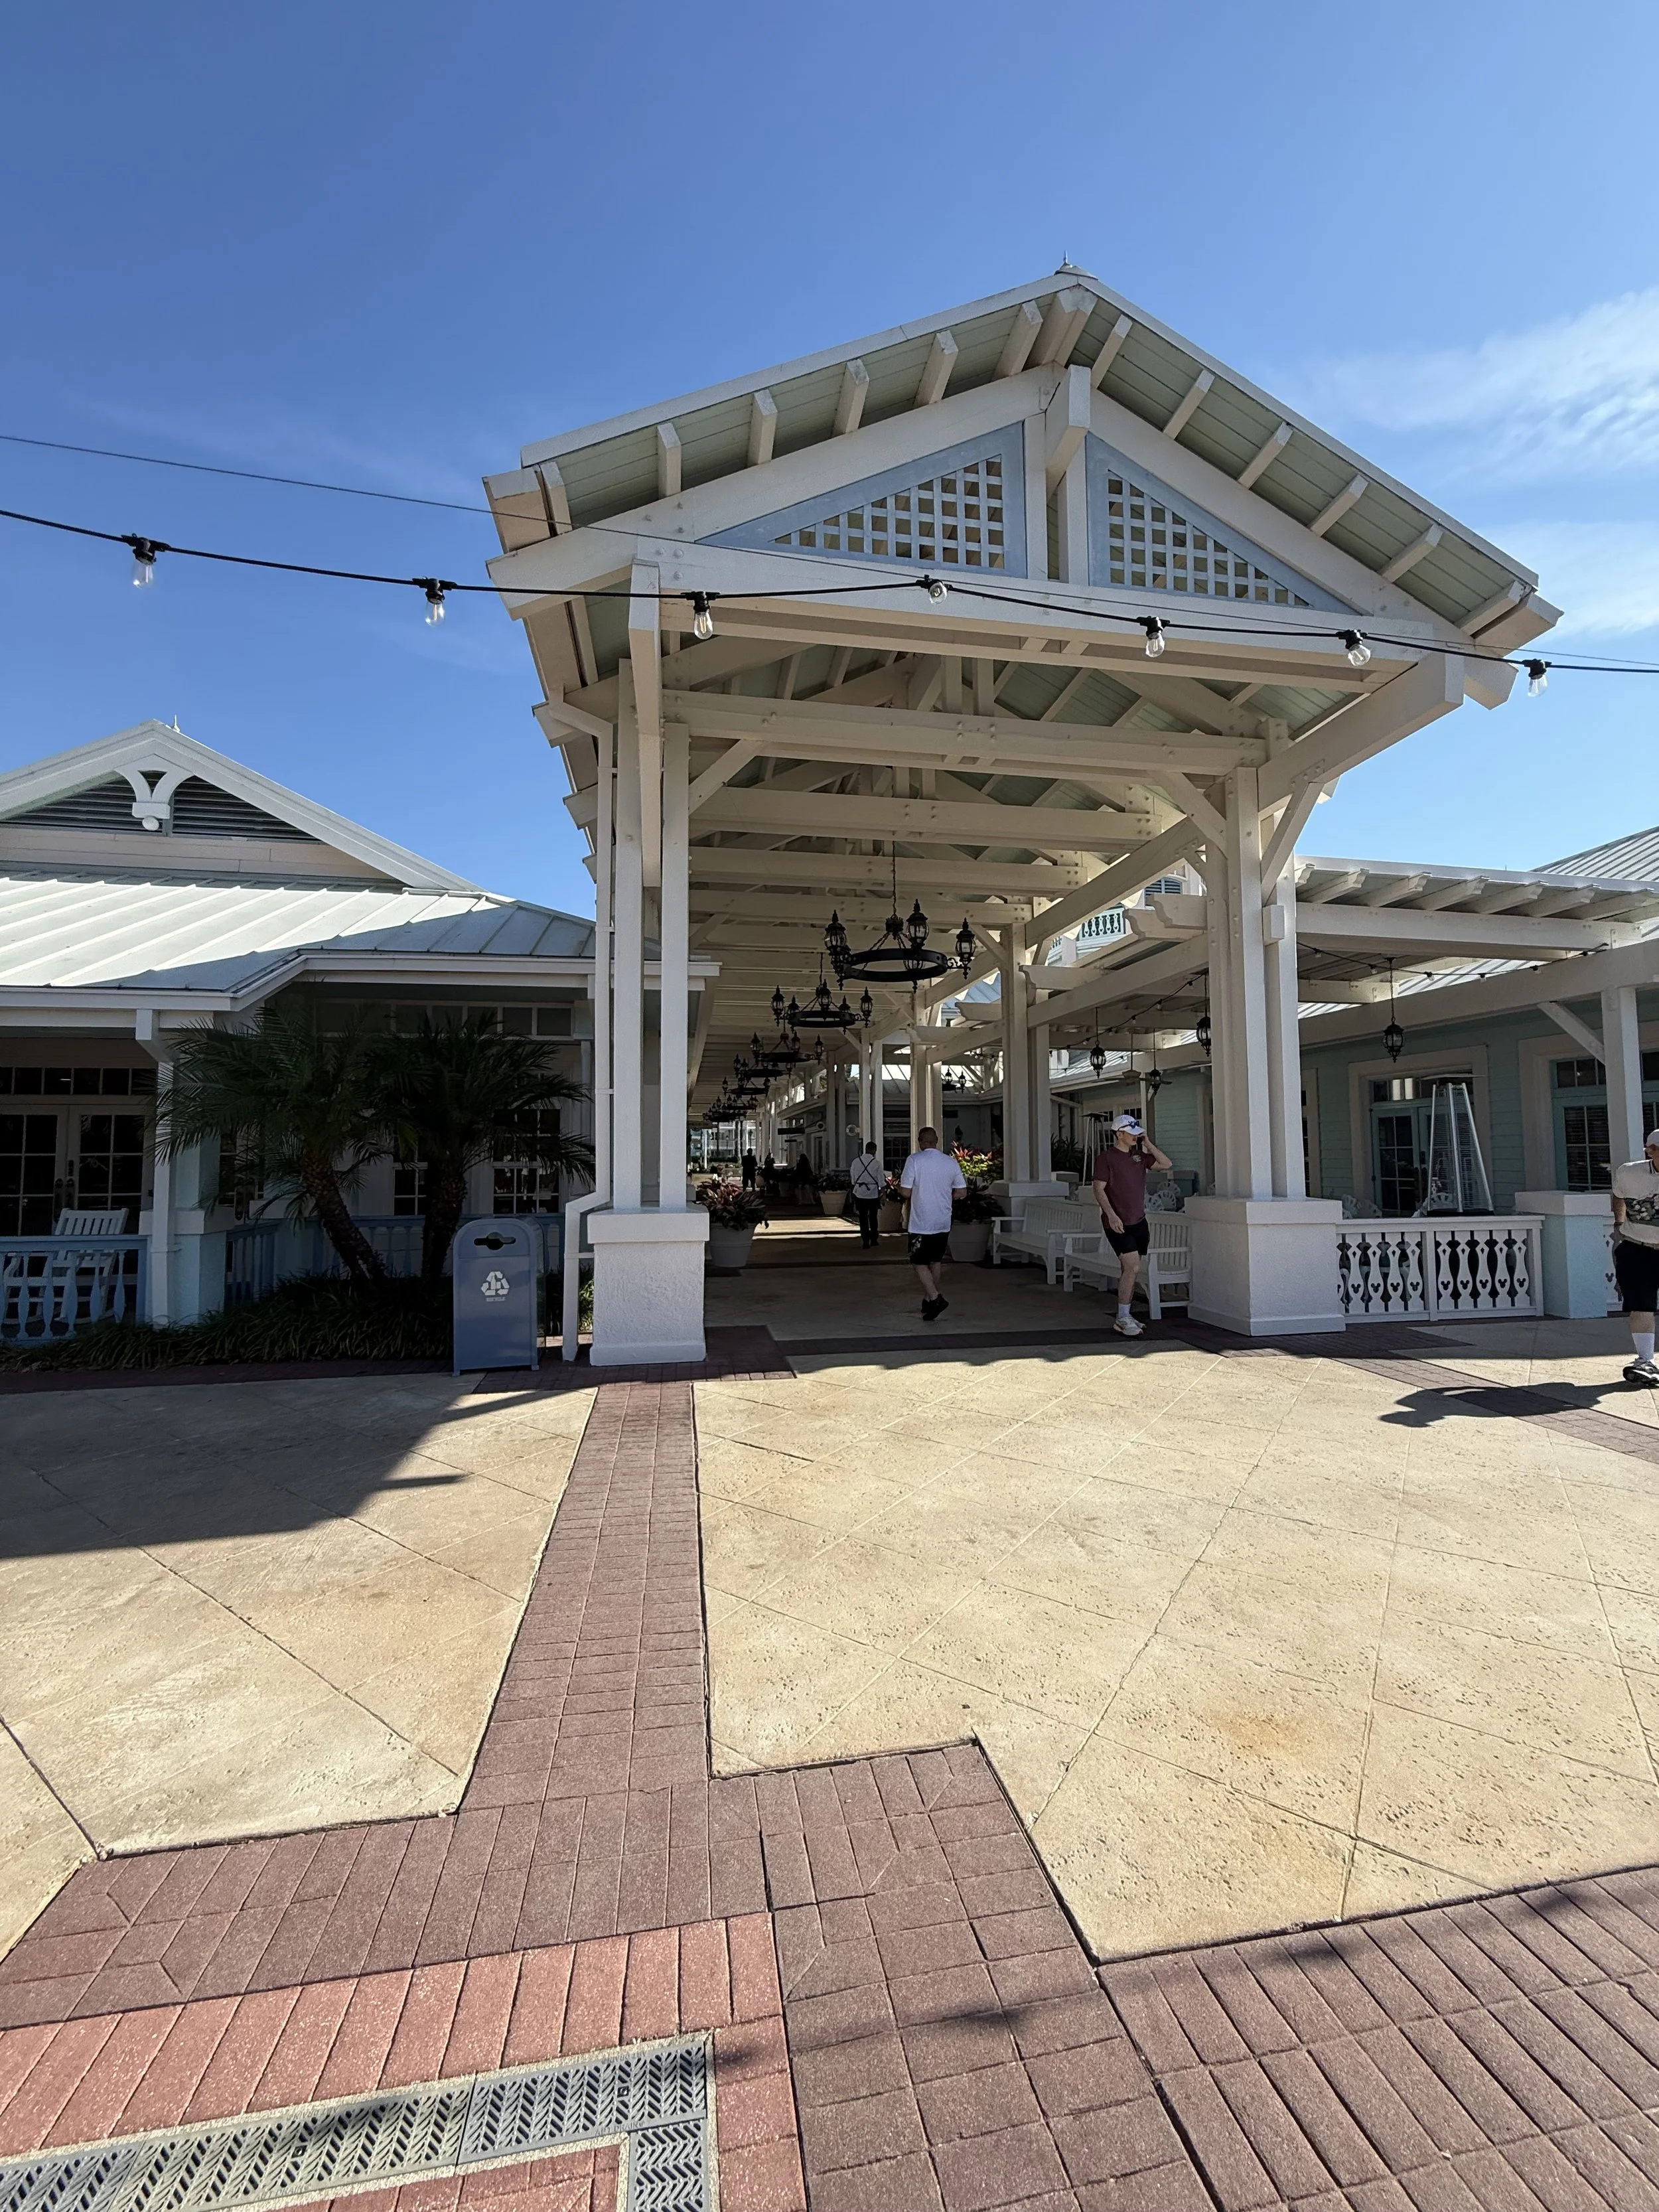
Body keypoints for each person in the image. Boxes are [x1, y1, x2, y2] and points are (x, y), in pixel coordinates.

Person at [1092, 1113, 1172, 1337]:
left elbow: (1166, 1163)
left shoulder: (1139, 1156)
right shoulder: (1106, 1158)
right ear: (1120, 1134)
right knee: (1133, 1266)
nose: (1136, 1137)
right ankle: (1122, 1318)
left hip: (1139, 1221)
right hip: (1117, 1223)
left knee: (1129, 1269)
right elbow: (1098, 1189)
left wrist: (1147, 1143)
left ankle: (1125, 1313)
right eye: (1133, 1133)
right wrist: (1111, 1215)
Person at [899, 1125, 966, 1320]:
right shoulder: (950, 1162)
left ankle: (936, 1298)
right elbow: (961, 1191)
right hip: (943, 1220)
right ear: (936, 1142)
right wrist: (945, 1197)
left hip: (921, 1222)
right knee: (935, 1261)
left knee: (918, 1261)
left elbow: (906, 1192)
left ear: (920, 1142)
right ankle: (929, 1300)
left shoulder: (914, 1161)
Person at [1611, 1128, 1659, 1386]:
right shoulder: (1628, 1172)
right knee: (1641, 1306)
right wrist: (1619, 1224)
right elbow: (1618, 1196)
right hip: (1637, 1248)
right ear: (1650, 1151)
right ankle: (1645, 1361)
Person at [848, 1140, 886, 1248]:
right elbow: (881, 1181)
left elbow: (853, 1179)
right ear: (874, 1151)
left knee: (863, 1218)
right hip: (873, 1193)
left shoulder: (856, 1162)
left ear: (865, 1149)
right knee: (873, 1217)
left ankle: (865, 1240)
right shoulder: (877, 1163)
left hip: (860, 1192)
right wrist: (883, 1194)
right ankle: (874, 1239)